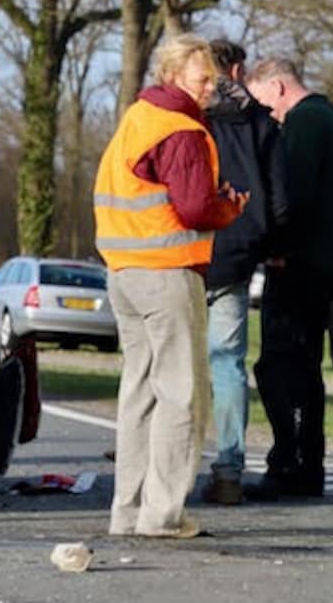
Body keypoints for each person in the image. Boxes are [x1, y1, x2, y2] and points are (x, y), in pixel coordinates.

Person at [93, 33, 245, 537]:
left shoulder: (137, 118)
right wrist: (229, 208)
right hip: (167, 271)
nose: (209, 89)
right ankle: (163, 515)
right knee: (182, 394)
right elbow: (196, 208)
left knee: (139, 394)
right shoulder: (181, 130)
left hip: (124, 273)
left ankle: (128, 511)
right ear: (174, 75)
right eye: (203, 79)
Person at [200, 40, 290, 505]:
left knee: (173, 361)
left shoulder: (191, 117)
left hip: (189, 251)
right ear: (236, 69)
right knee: (228, 363)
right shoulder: (262, 124)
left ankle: (165, 464)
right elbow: (278, 199)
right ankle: (229, 469)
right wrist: (271, 247)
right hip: (237, 254)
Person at [244, 58, 333, 499]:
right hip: (327, 265)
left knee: (286, 366)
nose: (267, 115)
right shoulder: (329, 118)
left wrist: (271, 247)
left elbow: (290, 197)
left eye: (264, 103)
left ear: (278, 87)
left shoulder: (303, 124)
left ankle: (294, 464)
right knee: (314, 369)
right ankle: (309, 466)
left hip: (302, 267)